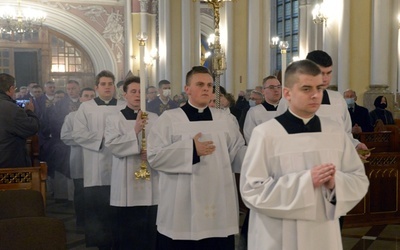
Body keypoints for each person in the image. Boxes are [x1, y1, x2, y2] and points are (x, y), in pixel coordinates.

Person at [240, 60, 369, 250]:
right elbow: (251, 190)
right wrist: (305, 182)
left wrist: (335, 184)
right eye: (306, 88)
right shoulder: (265, 134)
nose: (316, 95)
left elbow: (358, 179)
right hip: (279, 236)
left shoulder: (335, 133)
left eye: (320, 88)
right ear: (287, 93)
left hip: (323, 233)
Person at [147, 66, 246, 250]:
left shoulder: (224, 119)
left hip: (218, 198)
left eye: (209, 85)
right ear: (187, 89)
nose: (206, 89)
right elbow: (154, 156)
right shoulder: (170, 119)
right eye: (200, 84)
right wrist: (191, 150)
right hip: (181, 202)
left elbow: (238, 150)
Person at [72, 70, 126, 249]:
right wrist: (102, 139)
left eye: (110, 84)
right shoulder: (86, 108)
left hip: (120, 162)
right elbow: (78, 133)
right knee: (98, 212)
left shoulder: (123, 106)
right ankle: (100, 243)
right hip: (96, 164)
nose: (107, 87)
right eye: (103, 84)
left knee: (118, 211)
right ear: (96, 87)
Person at [104, 76, 159, 249]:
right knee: (127, 230)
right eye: (133, 92)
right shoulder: (114, 119)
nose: (137, 95)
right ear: (125, 94)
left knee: (149, 227)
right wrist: (134, 132)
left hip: (151, 175)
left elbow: (163, 143)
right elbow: (112, 145)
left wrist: (151, 152)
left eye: (140, 92)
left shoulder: (155, 118)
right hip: (125, 180)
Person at [60, 87, 96, 229]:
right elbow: (65, 136)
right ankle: (81, 222)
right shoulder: (71, 117)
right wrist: (89, 140)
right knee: (80, 193)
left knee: (96, 194)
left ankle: (96, 224)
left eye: (92, 96)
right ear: (80, 98)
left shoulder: (101, 116)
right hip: (79, 158)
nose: (89, 98)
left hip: (96, 160)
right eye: (86, 96)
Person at [0, 73, 39, 167]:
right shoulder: (11, 109)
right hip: (8, 165)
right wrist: (30, 112)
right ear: (11, 89)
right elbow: (32, 128)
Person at [243, 76, 282, 143]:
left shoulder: (288, 110)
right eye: (271, 87)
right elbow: (250, 137)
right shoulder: (254, 112)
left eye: (278, 87)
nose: (276, 90)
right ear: (263, 91)